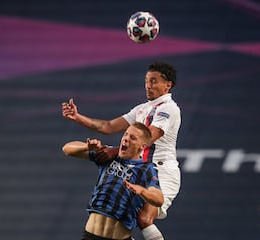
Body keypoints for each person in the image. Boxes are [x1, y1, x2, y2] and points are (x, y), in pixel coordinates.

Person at [62, 61, 181, 240]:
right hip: (136, 165)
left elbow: (148, 137)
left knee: (143, 218)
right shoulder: (141, 109)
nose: (148, 85)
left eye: (154, 81)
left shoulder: (169, 108)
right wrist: (78, 117)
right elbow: (108, 126)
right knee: (118, 213)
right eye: (147, 80)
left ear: (168, 85)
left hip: (161, 169)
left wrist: (116, 150)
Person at [62, 122, 164, 240]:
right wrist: (87, 147)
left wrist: (142, 191)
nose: (126, 139)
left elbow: (159, 199)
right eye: (126, 134)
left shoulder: (146, 169)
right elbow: (67, 149)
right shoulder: (109, 155)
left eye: (132, 138)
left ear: (142, 146)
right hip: (90, 235)